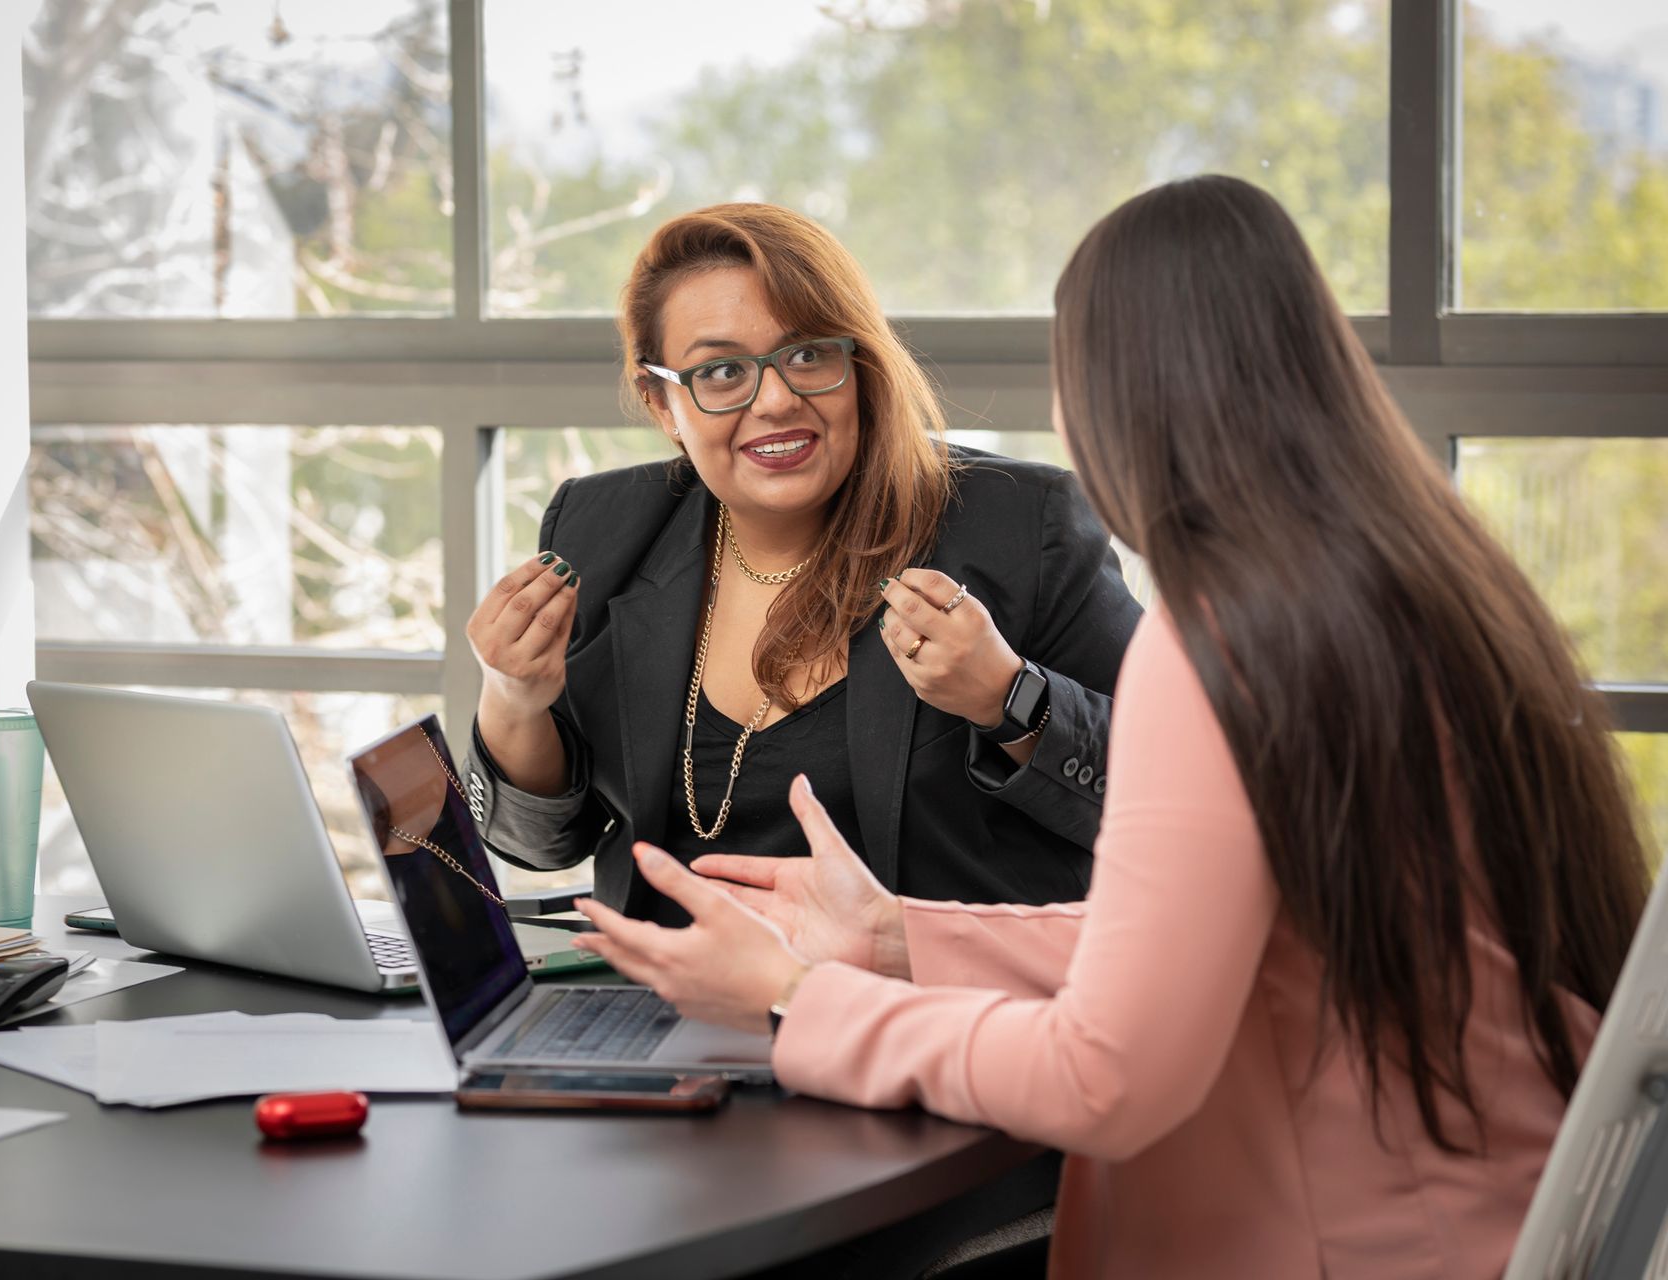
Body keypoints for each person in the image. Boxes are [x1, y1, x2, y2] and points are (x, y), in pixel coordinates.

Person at [567, 176, 1652, 1278]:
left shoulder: (1224, 645)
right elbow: (1223, 933)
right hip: (1488, 1211)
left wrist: (798, 999)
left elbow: (1107, 1074)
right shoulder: (1409, 583)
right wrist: (899, 936)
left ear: (1119, 399)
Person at [460, 203, 1142, 922]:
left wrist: (1010, 700)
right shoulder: (601, 529)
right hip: (662, 1007)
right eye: (722, 371)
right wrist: (512, 699)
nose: (778, 399)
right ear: (662, 402)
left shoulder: (1022, 524)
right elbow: (541, 846)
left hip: (917, 1010)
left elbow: (1175, 804)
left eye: (809, 354)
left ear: (858, 362)